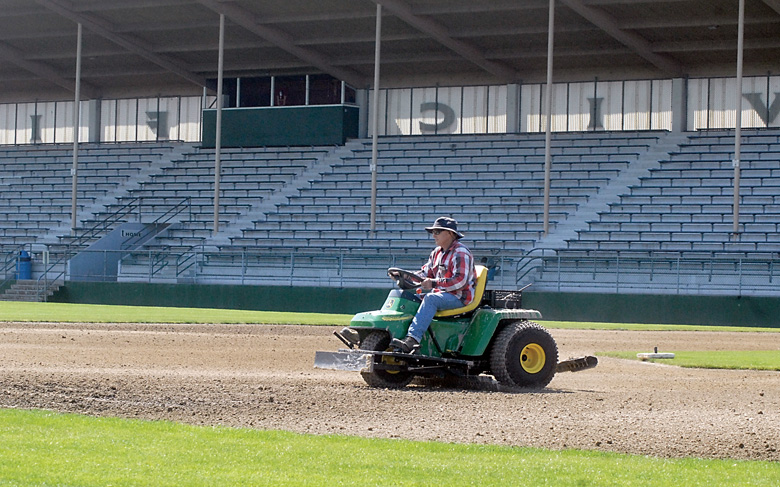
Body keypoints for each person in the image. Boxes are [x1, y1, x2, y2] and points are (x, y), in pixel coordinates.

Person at [390, 216, 476, 353]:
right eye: (432, 232)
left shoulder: (460, 253)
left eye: (437, 232)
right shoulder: (436, 253)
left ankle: (413, 339)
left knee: (430, 299)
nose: (433, 235)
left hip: (459, 297)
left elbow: (460, 281)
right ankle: (387, 333)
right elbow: (425, 273)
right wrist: (405, 276)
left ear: (450, 234)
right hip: (442, 294)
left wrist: (434, 283)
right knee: (406, 298)